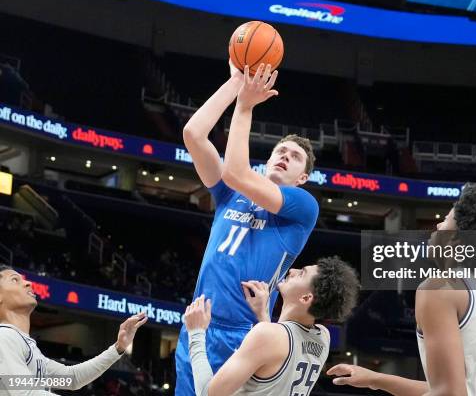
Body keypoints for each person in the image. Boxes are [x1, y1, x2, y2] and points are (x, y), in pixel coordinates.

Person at [176, 62, 319, 395]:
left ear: (302, 178)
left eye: (294, 156)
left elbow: (236, 171)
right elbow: (193, 135)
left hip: (244, 332)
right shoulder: (231, 194)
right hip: (198, 323)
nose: (285, 155)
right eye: (280, 151)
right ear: (267, 161)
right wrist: (234, 81)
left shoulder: (303, 207)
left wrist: (245, 104)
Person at [328, 182, 476, 395]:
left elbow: (448, 393)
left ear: (457, 240)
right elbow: (458, 388)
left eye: (445, 220)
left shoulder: (439, 288)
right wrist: (375, 379)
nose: (437, 226)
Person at [184, 256, 360, 396]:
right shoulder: (323, 337)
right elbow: (277, 361)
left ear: (306, 298)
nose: (293, 270)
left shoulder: (269, 335)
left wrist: (196, 333)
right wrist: (263, 314)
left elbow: (207, 394)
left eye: (302, 273)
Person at [0, 264, 147, 395]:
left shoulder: (22, 343)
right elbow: (24, 393)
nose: (27, 283)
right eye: (15, 280)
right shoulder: (4, 337)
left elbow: (72, 379)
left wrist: (118, 348)